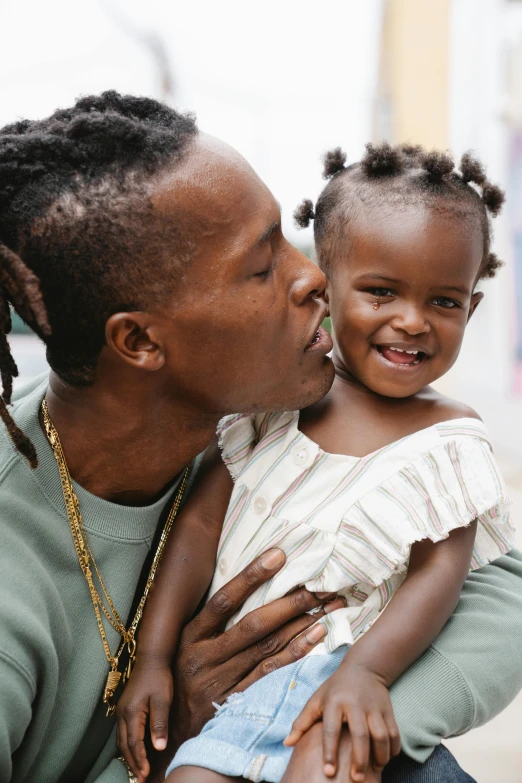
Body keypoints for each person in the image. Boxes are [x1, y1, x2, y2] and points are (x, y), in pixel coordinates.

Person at [0, 94, 520, 783]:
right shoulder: (13, 583)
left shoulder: (266, 415)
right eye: (261, 265)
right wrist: (183, 735)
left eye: (286, 238)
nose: (313, 277)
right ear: (140, 340)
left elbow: (496, 589)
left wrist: (349, 711)